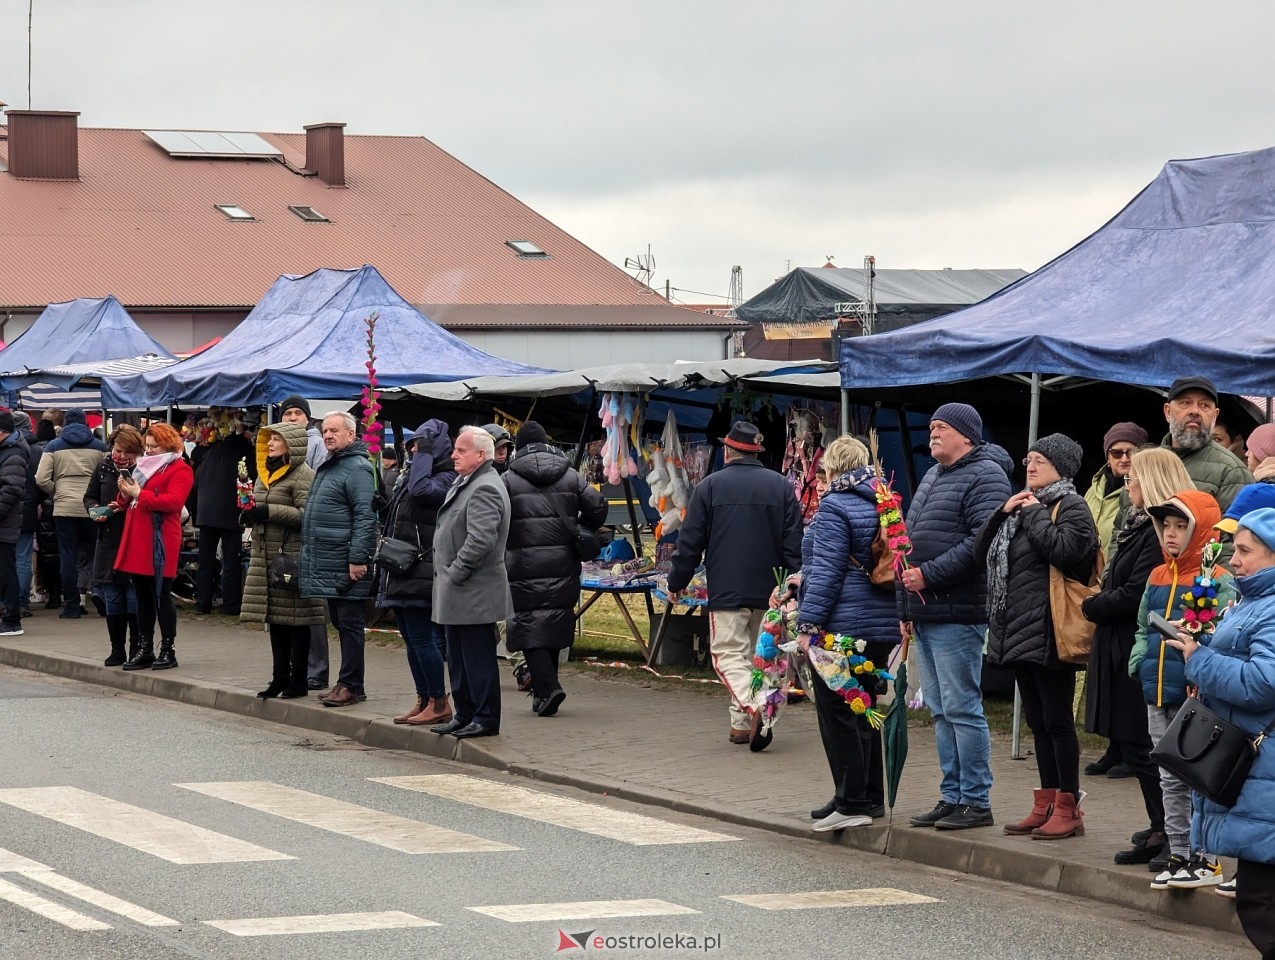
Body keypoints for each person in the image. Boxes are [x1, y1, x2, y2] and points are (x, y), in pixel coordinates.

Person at [977, 433, 1099, 840]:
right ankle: (1045, 803)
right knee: (1038, 722)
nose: (1029, 467)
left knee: (1058, 721)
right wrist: (1002, 512)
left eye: (1039, 461)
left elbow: (1065, 552)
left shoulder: (1073, 506)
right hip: (1017, 630)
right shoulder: (1022, 506)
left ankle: (1069, 806)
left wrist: (1030, 515)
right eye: (1027, 459)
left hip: (1050, 631)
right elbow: (982, 552)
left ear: (1061, 468)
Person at [899, 402, 1013, 830]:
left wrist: (928, 576)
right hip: (926, 613)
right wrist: (904, 607)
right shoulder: (933, 475)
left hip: (958, 611)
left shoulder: (986, 476)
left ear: (966, 435)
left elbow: (981, 543)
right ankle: (952, 795)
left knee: (963, 708)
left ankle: (977, 800)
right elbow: (906, 542)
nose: (932, 433)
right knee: (940, 710)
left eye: (942, 427)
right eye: (931, 426)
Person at [1167, 507, 1275, 956]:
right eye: (1235, 550)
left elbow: (1263, 682)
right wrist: (1202, 644)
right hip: (1258, 771)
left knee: (1259, 901)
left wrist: (1200, 660)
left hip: (1264, 769)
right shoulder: (1252, 601)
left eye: (1246, 552)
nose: (1235, 560)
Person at [1083, 447, 1193, 865]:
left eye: (1134, 479)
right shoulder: (1140, 526)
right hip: (1126, 646)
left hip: (1145, 649)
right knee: (1136, 745)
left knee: (1149, 748)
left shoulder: (1156, 534)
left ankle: (1171, 832)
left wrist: (1095, 605)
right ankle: (1159, 825)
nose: (1127, 484)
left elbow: (1137, 595)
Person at [665, 421, 804, 747]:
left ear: (727, 450)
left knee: (728, 656)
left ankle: (755, 707)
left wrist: (676, 582)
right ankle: (741, 725)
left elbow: (690, 543)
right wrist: (794, 588)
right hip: (772, 591)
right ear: (757, 451)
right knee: (759, 659)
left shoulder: (710, 487)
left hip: (727, 589)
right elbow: (794, 545)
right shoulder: (782, 487)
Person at [1129, 488, 1233, 889]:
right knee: (1169, 777)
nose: (1170, 535)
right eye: (1164, 526)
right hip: (1156, 692)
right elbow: (1143, 625)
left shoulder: (1216, 581)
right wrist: (1140, 663)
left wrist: (1199, 671)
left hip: (1194, 695)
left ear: (1201, 531)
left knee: (1196, 776)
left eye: (1180, 526)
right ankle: (1178, 851)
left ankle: (1204, 856)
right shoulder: (1157, 575)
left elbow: (1220, 633)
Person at [795, 436, 899, 831]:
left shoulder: (835, 506)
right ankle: (867, 796)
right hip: (880, 623)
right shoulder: (884, 500)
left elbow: (827, 572)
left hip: (843, 627)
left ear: (832, 469)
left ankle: (851, 800)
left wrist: (808, 626)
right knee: (866, 707)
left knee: (838, 711)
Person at [503, 421, 607, 717]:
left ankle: (548, 688)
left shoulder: (508, 479)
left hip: (522, 565)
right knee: (553, 621)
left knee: (527, 625)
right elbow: (598, 507)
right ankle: (545, 691)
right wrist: (580, 528)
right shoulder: (570, 474)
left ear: (519, 447)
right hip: (564, 562)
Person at [430, 425, 514, 739]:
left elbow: (481, 540)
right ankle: (465, 713)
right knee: (458, 659)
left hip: (473, 590)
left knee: (477, 659)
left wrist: (455, 572)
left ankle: (486, 717)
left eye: (461, 450)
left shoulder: (486, 486)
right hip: (457, 590)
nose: (453, 455)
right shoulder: (465, 481)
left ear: (481, 455)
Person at [238, 421, 327, 699]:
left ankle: (298, 680)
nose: (271, 443)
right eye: (269, 439)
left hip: (292, 556)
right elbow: (262, 506)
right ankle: (279, 677)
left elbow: (305, 516)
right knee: (275, 620)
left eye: (277, 439)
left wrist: (268, 512)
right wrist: (249, 513)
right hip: (266, 554)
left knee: (296, 622)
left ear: (293, 443)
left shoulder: (303, 475)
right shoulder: (266, 473)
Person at [377, 420, 456, 726]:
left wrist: (423, 454)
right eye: (412, 444)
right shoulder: (416, 472)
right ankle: (423, 697)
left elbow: (421, 492)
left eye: (420, 444)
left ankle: (439, 701)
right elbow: (406, 513)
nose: (413, 449)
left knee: (424, 639)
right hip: (403, 567)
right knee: (411, 638)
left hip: (423, 569)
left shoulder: (446, 476)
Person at [299, 412, 377, 708]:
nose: (328, 435)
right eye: (325, 430)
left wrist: (357, 558)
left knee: (350, 624)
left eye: (334, 430)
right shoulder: (331, 465)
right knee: (341, 622)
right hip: (331, 560)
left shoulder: (356, 468)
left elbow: (365, 517)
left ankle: (352, 685)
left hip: (346, 562)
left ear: (351, 435)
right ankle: (346, 682)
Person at [115, 424, 195, 671]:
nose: (148, 451)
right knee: (142, 596)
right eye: (146, 446)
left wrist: (139, 493)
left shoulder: (180, 469)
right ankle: (145, 647)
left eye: (153, 446)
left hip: (160, 539)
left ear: (168, 445)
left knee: (160, 595)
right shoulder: (143, 466)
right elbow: (127, 499)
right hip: (138, 537)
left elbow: (173, 502)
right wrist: (125, 491)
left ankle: (168, 648)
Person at [277, 394, 329, 690]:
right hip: (282, 537)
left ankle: (317, 670)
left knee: (310, 606)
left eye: (298, 413)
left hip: (307, 535)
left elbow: (317, 488)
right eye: (288, 413)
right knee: (289, 606)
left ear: (308, 418)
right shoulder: (276, 445)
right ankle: (295, 666)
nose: (293, 417)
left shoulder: (315, 445)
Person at [34, 408, 107, 618]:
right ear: (85, 423)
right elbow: (107, 475)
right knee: (94, 552)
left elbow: (40, 478)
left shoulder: (54, 446)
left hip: (64, 508)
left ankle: (72, 605)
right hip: (93, 507)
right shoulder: (100, 446)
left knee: (67, 556)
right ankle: (98, 592)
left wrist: (56, 491)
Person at [84, 425, 145, 666]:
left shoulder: (142, 470)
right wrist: (94, 511)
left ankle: (136, 647)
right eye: (117, 450)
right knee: (113, 597)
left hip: (133, 538)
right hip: (108, 538)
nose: (120, 456)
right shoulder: (104, 467)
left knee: (132, 597)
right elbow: (89, 496)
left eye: (126, 452)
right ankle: (116, 648)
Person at [190, 415, 254, 616]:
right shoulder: (245, 452)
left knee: (205, 560)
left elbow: (195, 484)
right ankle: (231, 605)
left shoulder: (207, 453)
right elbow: (249, 479)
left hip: (206, 512)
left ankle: (203, 603)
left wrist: (195, 511)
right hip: (231, 513)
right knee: (231, 561)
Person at [1160, 376, 1252, 510]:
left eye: (1204, 405)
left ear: (1215, 416)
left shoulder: (1232, 472)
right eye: (1185, 403)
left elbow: (1232, 530)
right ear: (1168, 412)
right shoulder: (1145, 464)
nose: (1195, 411)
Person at [1084, 421, 1146, 559]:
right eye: (1117, 453)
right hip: (1087, 576)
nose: (1124, 459)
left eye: (1131, 452)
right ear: (1108, 457)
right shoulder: (1093, 489)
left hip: (1116, 574)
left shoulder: (1145, 492)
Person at [0, 411, 30, 637]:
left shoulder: (14, 453)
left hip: (5, 523)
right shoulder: (7, 451)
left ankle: (12, 620)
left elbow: (11, 489)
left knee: (7, 571)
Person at [15, 412, 41, 618]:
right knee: (23, 559)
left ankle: (8, 602)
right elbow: (42, 482)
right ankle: (23, 603)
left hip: (8, 510)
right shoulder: (37, 451)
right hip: (30, 509)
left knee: (7, 559)